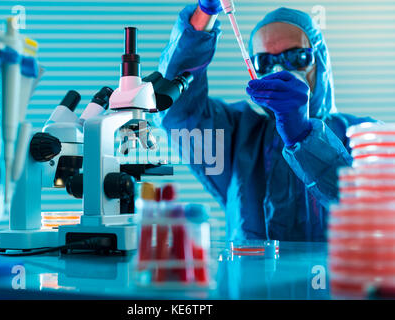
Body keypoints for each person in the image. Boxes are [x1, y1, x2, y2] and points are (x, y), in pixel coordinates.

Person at [155, 1, 375, 241]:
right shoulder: (236, 136)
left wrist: (305, 137)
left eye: (298, 57)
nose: (280, 69)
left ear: (320, 61)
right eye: (265, 62)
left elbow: (372, 210)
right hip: (251, 278)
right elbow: (175, 110)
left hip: (339, 278)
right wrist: (204, 14)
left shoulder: (363, 135)